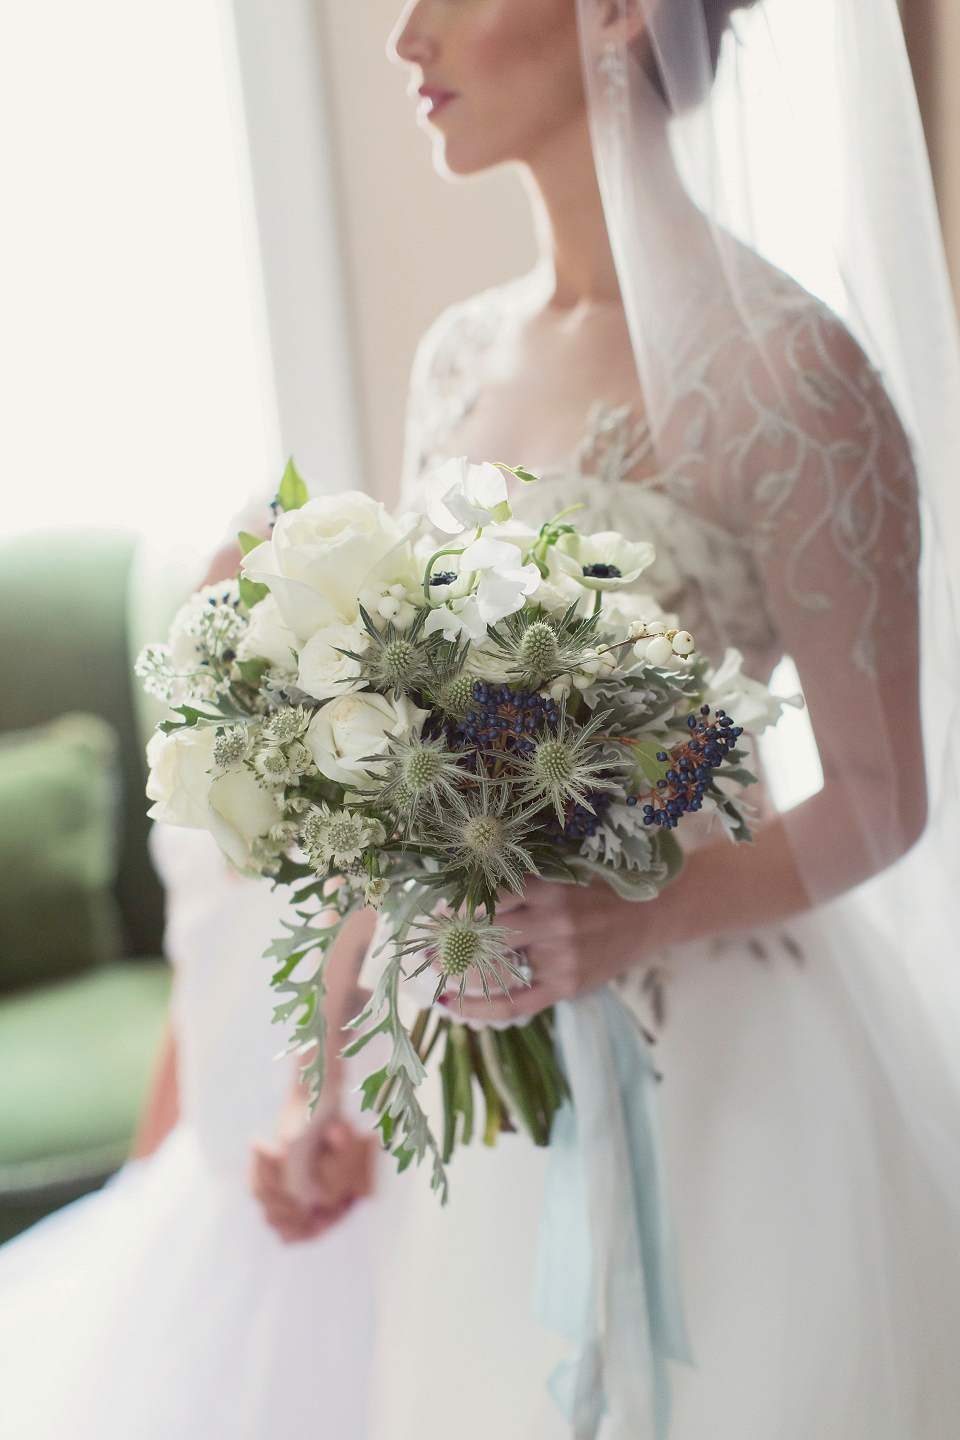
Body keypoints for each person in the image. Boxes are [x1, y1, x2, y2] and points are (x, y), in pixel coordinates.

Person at [258, 1, 960, 1437]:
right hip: (497, 1105)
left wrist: (640, 915)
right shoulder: (457, 359)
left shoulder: (794, 377)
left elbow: (887, 796)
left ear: (625, 11)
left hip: (743, 1092)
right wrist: (318, 1073)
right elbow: (397, 765)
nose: (405, 36)